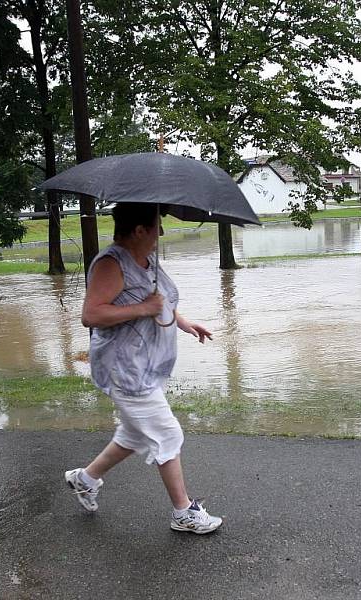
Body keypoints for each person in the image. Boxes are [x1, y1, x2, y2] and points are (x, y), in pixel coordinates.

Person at [64, 202, 222, 535]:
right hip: (125, 369)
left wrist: (184, 323)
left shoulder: (147, 261)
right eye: (156, 226)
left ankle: (85, 479)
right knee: (167, 434)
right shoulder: (111, 264)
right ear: (139, 230)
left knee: (134, 434)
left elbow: (160, 302)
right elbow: (91, 315)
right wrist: (142, 308)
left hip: (147, 366)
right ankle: (184, 512)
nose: (160, 233)